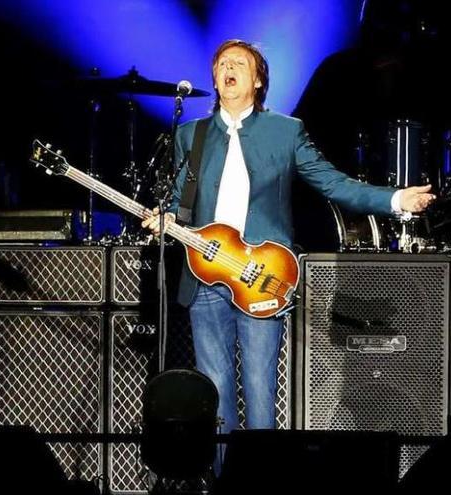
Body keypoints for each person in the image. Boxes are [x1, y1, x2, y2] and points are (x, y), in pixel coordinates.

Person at [142, 39, 435, 437]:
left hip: (261, 274)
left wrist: (396, 198)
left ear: (258, 80)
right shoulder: (191, 136)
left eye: (239, 64)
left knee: (260, 392)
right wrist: (167, 216)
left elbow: (333, 183)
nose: (228, 69)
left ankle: (260, 477)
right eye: (222, 63)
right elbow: (182, 201)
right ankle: (224, 478)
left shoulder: (285, 131)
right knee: (215, 392)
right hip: (206, 277)